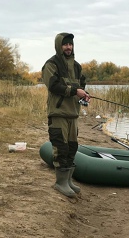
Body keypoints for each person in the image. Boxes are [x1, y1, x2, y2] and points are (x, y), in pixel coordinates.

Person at [42, 32, 90, 198]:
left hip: (73, 114)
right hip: (58, 113)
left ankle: (68, 180)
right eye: (65, 44)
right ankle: (60, 183)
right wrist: (74, 91)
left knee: (72, 147)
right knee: (60, 148)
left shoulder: (77, 66)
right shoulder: (51, 64)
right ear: (59, 46)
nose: (68, 47)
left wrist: (84, 94)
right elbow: (53, 86)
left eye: (70, 44)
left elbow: (81, 85)